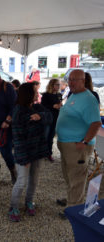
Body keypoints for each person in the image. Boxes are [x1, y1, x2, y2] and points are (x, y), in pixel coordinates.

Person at [56, 69, 101, 218]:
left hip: (77, 146)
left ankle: (74, 210)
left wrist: (84, 141)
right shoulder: (74, 95)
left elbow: (95, 123)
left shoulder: (89, 99)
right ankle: (72, 200)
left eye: (75, 80)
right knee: (69, 176)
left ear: (83, 81)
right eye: (70, 79)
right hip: (67, 144)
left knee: (77, 178)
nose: (71, 82)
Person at [8, 83, 52, 222]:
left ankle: (29, 202)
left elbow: (50, 116)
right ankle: (13, 207)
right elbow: (18, 137)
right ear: (27, 94)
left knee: (34, 180)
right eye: (34, 92)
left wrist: (40, 116)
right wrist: (23, 158)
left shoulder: (36, 107)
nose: (37, 94)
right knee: (21, 181)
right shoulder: (18, 111)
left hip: (38, 151)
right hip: (24, 154)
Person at [41, 79, 62, 162]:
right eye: (57, 84)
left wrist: (60, 106)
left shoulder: (59, 95)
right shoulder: (46, 95)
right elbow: (42, 107)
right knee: (45, 137)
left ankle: (49, 153)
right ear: (52, 85)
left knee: (51, 137)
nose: (58, 86)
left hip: (55, 119)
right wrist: (53, 106)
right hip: (47, 119)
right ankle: (42, 153)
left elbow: (60, 105)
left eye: (59, 85)